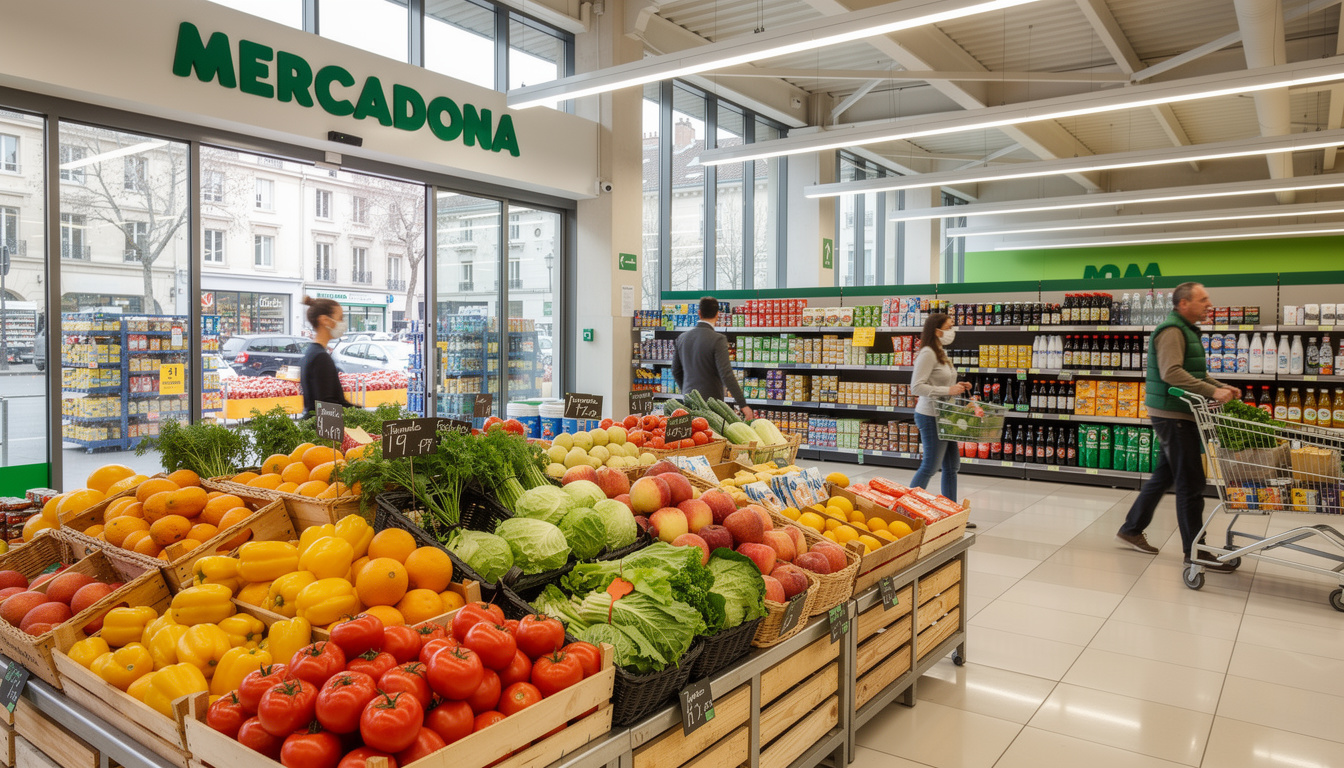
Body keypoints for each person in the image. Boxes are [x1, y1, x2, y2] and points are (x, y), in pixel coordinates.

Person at [1117, 282, 1239, 571]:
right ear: (1183, 303)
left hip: (1178, 412)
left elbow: (1195, 373)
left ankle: (1131, 528)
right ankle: (1195, 551)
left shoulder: (1186, 329)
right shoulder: (1172, 330)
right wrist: (1212, 392)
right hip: (1173, 414)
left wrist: (1221, 386)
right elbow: (1171, 372)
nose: (1209, 304)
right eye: (1203, 299)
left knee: (1165, 474)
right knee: (1191, 484)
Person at [910, 313, 973, 503]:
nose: (952, 331)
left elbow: (941, 381)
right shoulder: (928, 353)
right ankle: (906, 505)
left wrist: (958, 386)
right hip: (931, 415)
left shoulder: (940, 351)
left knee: (952, 466)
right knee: (930, 466)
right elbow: (916, 387)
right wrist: (948, 390)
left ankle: (950, 509)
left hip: (946, 415)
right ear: (937, 331)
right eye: (949, 327)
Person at [672, 297, 755, 421]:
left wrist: (688, 393)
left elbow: (676, 371)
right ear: (717, 314)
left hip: (688, 403)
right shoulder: (718, 339)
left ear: (699, 313)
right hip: (712, 404)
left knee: (693, 432)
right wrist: (743, 404)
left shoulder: (682, 338)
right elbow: (726, 374)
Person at [299, 296, 354, 417]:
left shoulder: (312, 352)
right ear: (324, 320)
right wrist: (358, 413)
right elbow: (328, 406)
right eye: (340, 318)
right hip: (322, 426)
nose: (342, 323)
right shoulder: (321, 357)